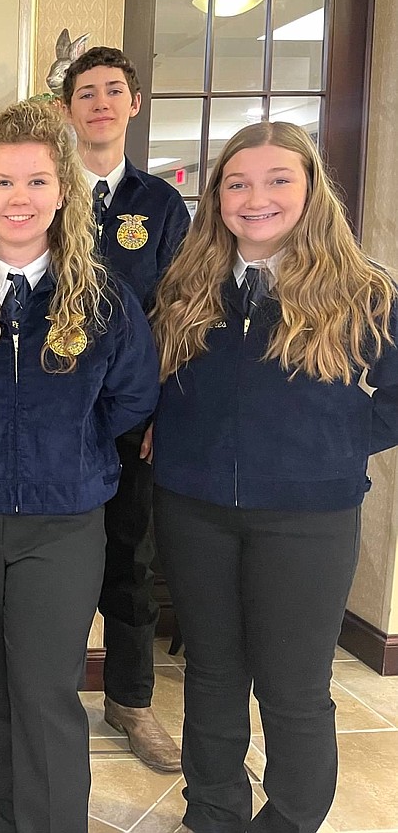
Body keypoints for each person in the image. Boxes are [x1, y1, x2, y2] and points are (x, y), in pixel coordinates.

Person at [0, 100, 159, 831]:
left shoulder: (104, 300)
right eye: (4, 182)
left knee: (44, 690)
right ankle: (5, 817)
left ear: (63, 193)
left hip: (63, 521)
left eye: (37, 182)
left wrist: (67, 444)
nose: (20, 198)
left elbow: (132, 396)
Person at [149, 121, 398, 833]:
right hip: (194, 508)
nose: (256, 197)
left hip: (307, 519)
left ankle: (290, 816)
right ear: (217, 197)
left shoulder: (363, 291)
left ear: (312, 189)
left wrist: (342, 441)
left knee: (292, 686)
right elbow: (155, 383)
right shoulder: (186, 285)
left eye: (278, 179)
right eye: (238, 182)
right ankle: (214, 810)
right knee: (213, 674)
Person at [61, 45, 190, 773]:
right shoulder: (45, 192)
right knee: (57, 566)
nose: (101, 103)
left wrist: (160, 414)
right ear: (67, 109)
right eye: (87, 93)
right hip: (53, 422)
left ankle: (132, 701)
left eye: (114, 91)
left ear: (133, 104)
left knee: (130, 564)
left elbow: (179, 314)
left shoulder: (162, 205)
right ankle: (48, 695)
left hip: (130, 423)